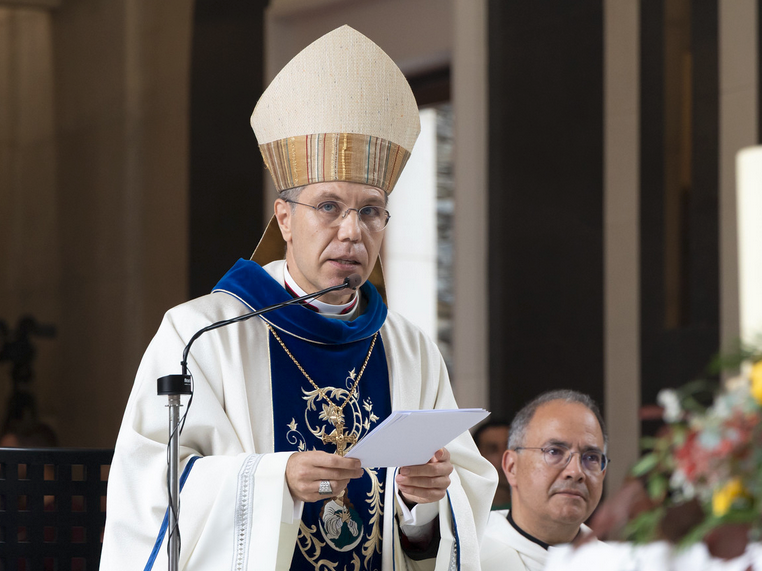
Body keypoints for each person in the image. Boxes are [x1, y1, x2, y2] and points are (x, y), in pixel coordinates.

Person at [99, 26, 496, 571]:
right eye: (329, 207)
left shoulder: (409, 349)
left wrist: (421, 505)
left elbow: (458, 503)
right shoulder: (201, 337)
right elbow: (148, 492)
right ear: (285, 219)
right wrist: (274, 479)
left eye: (370, 211)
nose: (352, 231)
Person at [480, 390, 608, 571]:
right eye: (554, 452)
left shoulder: (621, 564)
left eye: (591, 457)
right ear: (512, 467)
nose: (576, 472)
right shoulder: (466, 558)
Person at [473, 419, 511, 510]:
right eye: (492, 450)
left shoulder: (535, 510)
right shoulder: (465, 509)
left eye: (509, 447)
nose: (503, 456)